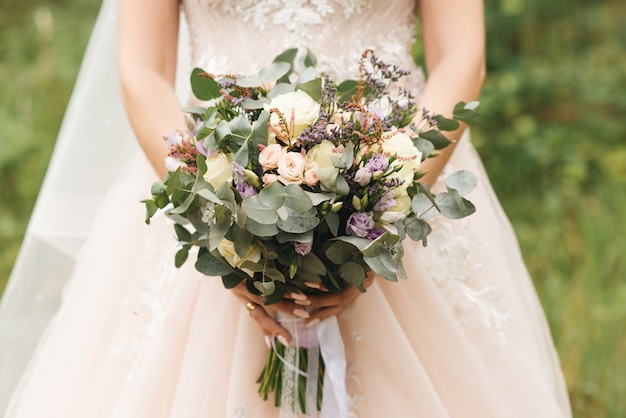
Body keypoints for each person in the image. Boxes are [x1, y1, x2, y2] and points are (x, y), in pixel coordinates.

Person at [0, 0, 572, 416]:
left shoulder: (390, 200)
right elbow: (141, 71)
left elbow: (462, 57)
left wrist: (384, 211)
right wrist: (221, 223)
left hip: (396, 181)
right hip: (215, 182)